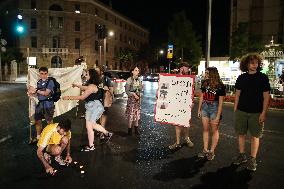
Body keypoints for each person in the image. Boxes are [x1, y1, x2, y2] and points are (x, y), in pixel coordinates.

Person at [233, 53, 270, 171]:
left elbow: (266, 97)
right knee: (241, 134)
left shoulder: (263, 77)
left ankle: (252, 159)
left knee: (255, 136)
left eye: (256, 63)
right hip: (241, 111)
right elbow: (237, 94)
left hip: (256, 113)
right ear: (246, 64)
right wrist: (235, 108)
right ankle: (242, 155)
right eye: (252, 63)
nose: (254, 65)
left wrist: (263, 112)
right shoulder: (241, 78)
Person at [62, 69, 113, 151]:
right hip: (92, 107)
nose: (86, 76)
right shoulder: (93, 85)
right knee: (89, 126)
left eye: (87, 74)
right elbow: (84, 87)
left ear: (91, 76)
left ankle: (94, 143)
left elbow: (82, 97)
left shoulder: (91, 87)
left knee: (90, 125)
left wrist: (68, 97)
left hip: (94, 107)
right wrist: (77, 85)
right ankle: (102, 137)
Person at [197, 67, 225, 160]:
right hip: (205, 106)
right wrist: (199, 109)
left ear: (212, 74)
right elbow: (201, 96)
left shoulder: (220, 85)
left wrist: (218, 115)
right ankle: (205, 150)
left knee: (214, 130)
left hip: (215, 107)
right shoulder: (204, 83)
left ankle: (211, 151)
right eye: (205, 73)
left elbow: (221, 102)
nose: (205, 74)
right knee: (205, 129)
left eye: (207, 73)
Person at [168, 62, 194, 150]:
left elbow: (191, 91)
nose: (188, 69)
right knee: (177, 124)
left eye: (188, 68)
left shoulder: (189, 78)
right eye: (187, 68)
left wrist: (192, 101)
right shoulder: (175, 77)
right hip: (177, 103)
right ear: (182, 68)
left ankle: (187, 139)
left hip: (186, 103)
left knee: (186, 123)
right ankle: (178, 142)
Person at [27, 67, 55, 142]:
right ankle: (38, 137)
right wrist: (31, 92)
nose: (44, 75)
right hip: (40, 104)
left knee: (49, 122)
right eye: (42, 74)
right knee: (38, 121)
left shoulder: (50, 82)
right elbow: (38, 92)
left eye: (45, 74)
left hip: (48, 104)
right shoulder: (39, 81)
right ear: (39, 74)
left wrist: (36, 90)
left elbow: (46, 93)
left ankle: (51, 137)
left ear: (47, 73)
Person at [95, 66, 114, 140]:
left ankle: (102, 132)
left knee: (104, 115)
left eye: (97, 71)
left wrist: (108, 89)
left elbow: (112, 91)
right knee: (100, 116)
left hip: (105, 100)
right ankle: (100, 130)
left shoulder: (106, 79)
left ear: (101, 72)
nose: (95, 73)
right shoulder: (95, 80)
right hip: (97, 101)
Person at [125, 66, 143, 135]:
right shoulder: (129, 80)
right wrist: (133, 94)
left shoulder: (139, 80)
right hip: (131, 99)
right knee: (130, 114)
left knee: (137, 114)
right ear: (132, 71)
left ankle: (136, 130)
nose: (137, 72)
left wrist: (140, 94)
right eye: (136, 70)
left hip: (138, 100)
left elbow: (141, 89)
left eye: (138, 70)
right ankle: (129, 130)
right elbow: (127, 91)